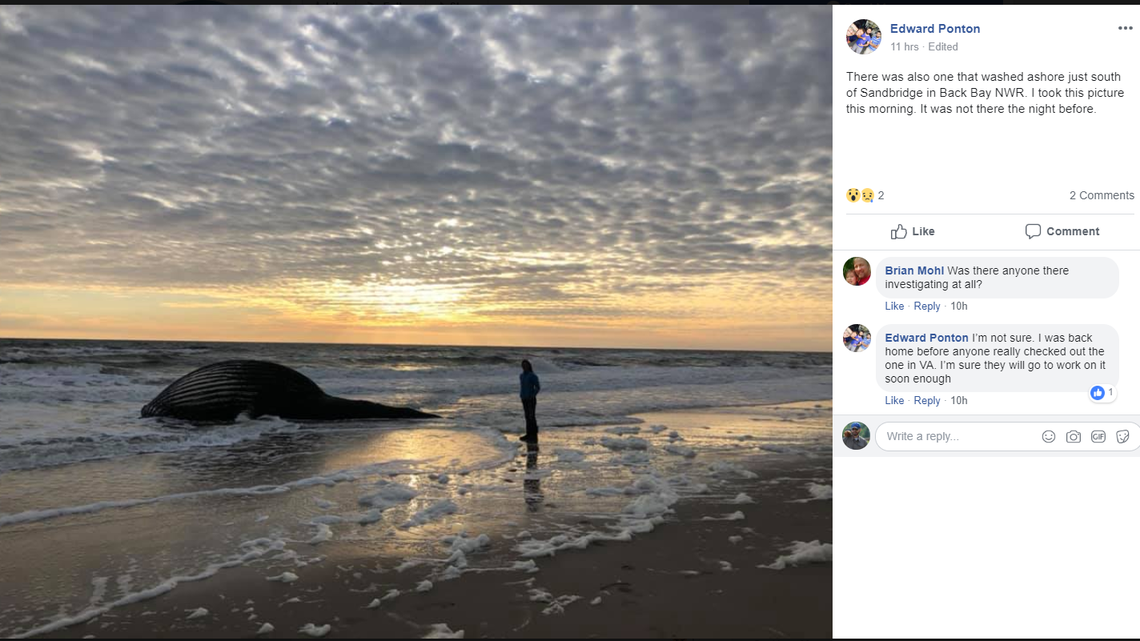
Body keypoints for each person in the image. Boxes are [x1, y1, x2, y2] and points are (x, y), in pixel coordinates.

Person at [519, 359, 541, 442]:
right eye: (523, 365)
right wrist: (521, 395)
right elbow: (522, 387)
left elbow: (538, 387)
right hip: (524, 398)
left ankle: (533, 434)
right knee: (527, 416)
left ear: (529, 366)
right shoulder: (521, 376)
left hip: (531, 399)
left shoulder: (532, 376)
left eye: (526, 365)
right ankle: (529, 434)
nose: (524, 366)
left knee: (531, 417)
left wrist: (532, 395)